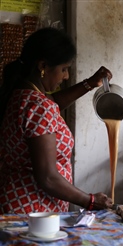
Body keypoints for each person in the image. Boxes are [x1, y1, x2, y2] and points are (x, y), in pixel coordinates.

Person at [0, 27, 113, 214]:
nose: (66, 76)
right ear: (43, 66)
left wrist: (90, 83)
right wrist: (90, 200)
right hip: (34, 211)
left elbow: (53, 103)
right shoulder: (38, 107)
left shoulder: (22, 95)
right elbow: (48, 178)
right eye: (64, 69)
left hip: (15, 203)